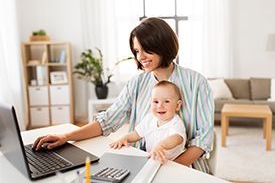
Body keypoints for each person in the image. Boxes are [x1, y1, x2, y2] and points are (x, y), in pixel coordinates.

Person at [33, 17, 214, 174]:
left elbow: (202, 141)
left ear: (163, 45)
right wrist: (66, 137)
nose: (140, 56)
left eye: (146, 49)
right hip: (144, 164)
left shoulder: (197, 83)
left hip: (184, 168)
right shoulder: (136, 84)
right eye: (136, 51)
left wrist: (165, 169)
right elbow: (107, 121)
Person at [110, 81, 186, 164]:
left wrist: (161, 145)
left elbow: (177, 138)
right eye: (156, 102)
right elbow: (137, 134)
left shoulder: (176, 123)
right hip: (152, 160)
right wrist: (125, 138)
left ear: (177, 105)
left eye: (166, 101)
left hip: (172, 163)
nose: (160, 106)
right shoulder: (149, 119)